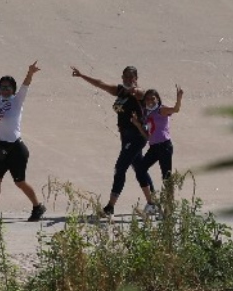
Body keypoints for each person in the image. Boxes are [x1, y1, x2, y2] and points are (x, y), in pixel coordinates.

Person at [71, 65, 157, 217]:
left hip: (137, 136)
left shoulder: (139, 93)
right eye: (126, 77)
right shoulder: (120, 91)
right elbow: (100, 84)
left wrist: (134, 89)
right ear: (122, 77)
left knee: (120, 168)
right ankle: (153, 203)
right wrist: (82, 75)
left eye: (132, 77)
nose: (129, 79)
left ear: (136, 79)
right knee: (139, 168)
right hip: (126, 137)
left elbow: (141, 93)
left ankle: (110, 207)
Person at [0, 51, 46, 224]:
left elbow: (26, 85)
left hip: (16, 149)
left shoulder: (17, 101)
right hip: (0, 148)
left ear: (13, 90)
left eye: (8, 87)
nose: (4, 89)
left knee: (20, 182)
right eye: (2, 87)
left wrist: (30, 72)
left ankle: (38, 206)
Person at [132, 85, 183, 188]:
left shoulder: (161, 110)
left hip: (164, 146)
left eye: (153, 98)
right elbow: (146, 135)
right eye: (147, 99)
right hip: (154, 147)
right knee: (140, 169)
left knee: (166, 177)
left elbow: (175, 109)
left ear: (157, 99)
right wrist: (137, 124)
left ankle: (169, 202)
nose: (150, 101)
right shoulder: (146, 113)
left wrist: (179, 99)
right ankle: (152, 195)